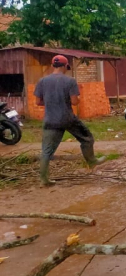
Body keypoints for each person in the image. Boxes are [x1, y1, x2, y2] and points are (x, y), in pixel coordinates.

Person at [35, 55, 104, 186]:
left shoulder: (42, 81)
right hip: (67, 118)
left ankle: (44, 179)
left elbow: (38, 102)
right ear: (65, 66)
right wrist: (77, 99)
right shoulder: (70, 81)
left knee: (46, 151)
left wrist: (52, 102)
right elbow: (74, 101)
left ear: (52, 66)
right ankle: (92, 161)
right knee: (87, 138)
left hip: (50, 120)